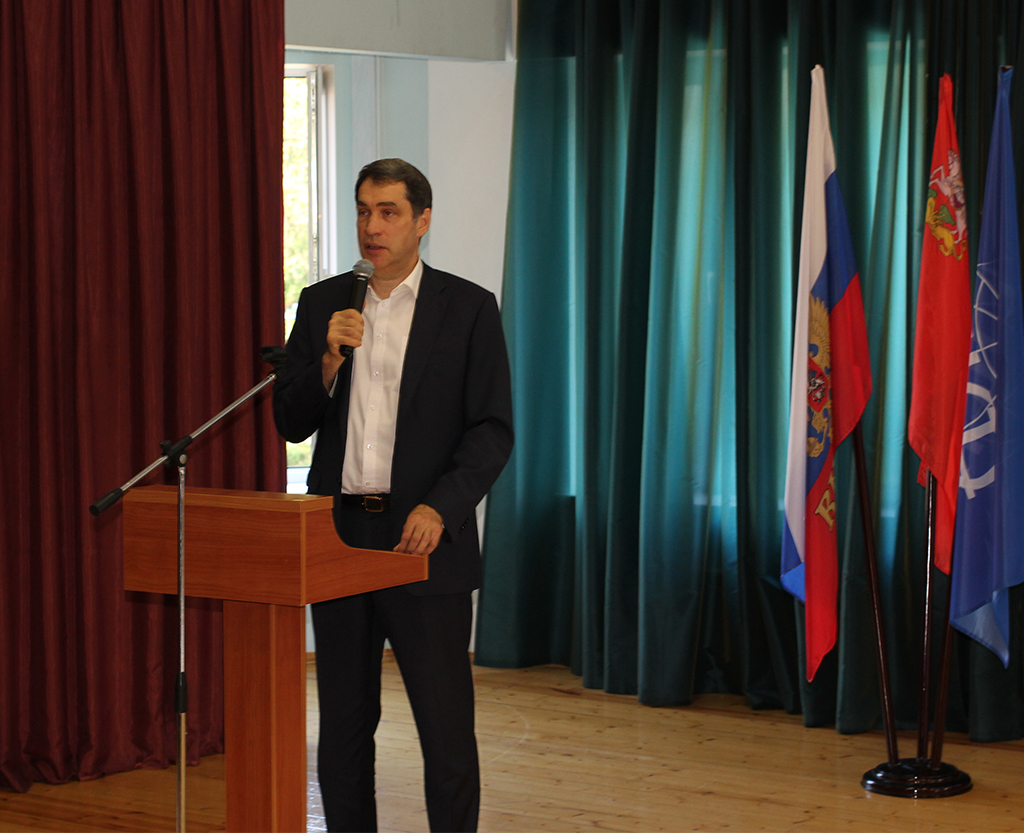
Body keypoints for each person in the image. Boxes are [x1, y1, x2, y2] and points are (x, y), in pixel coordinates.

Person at [272, 158, 514, 833]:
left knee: (445, 731)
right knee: (344, 730)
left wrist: (443, 505)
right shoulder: (323, 304)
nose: (371, 227)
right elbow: (289, 420)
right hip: (341, 540)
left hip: (422, 543)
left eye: (388, 212)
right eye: (362, 211)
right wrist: (326, 362)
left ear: (422, 221)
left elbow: (492, 428)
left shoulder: (467, 308)